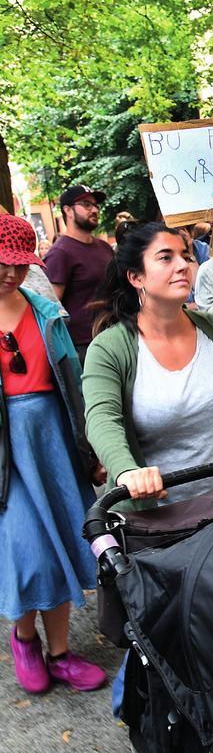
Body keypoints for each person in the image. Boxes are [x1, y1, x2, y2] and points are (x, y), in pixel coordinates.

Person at [82, 221, 213, 508]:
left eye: (185, 256)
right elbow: (102, 419)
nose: (183, 265)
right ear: (136, 277)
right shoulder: (109, 348)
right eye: (165, 257)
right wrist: (127, 471)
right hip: (161, 522)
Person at [0, 214, 106, 694]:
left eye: (19, 264)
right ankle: (24, 639)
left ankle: (60, 653)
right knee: (26, 550)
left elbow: (74, 384)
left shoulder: (46, 312)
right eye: (2, 262)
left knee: (64, 540)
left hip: (53, 440)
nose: (10, 273)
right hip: (7, 452)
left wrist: (89, 447)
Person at [44, 185, 114, 363]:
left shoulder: (104, 247)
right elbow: (50, 308)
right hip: (83, 347)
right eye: (86, 204)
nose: (94, 209)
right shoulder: (60, 253)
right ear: (67, 210)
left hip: (115, 335)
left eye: (95, 205)